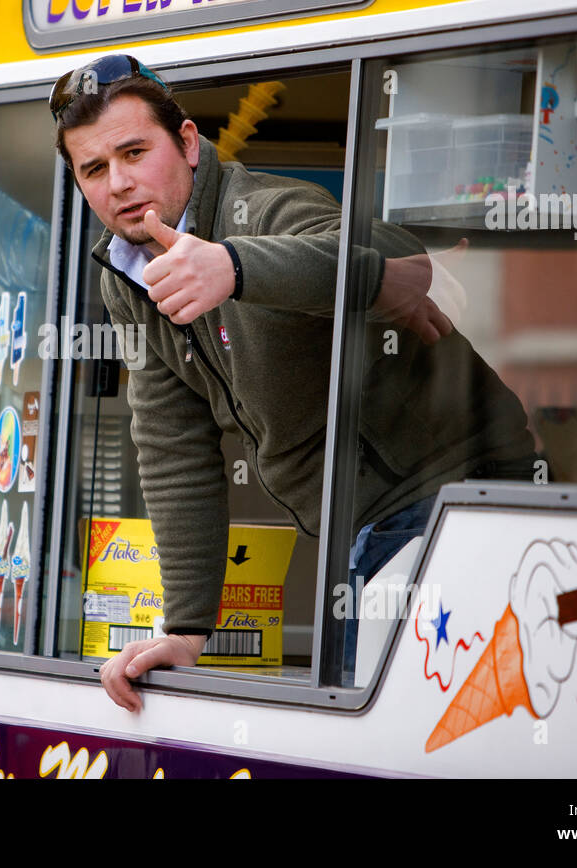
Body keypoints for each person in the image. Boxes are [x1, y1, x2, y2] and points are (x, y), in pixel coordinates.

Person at [50, 55, 536, 709]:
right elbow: (174, 445)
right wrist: (188, 628)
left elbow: (389, 256)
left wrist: (236, 266)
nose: (118, 183)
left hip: (454, 506)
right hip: (359, 538)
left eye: (134, 152)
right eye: (95, 169)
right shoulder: (127, 276)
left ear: (189, 145)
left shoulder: (261, 207)